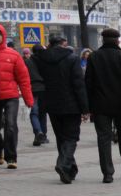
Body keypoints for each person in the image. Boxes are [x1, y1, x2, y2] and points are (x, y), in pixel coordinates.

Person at [84, 28, 121, 183]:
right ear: (118, 41)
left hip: (100, 105)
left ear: (102, 40)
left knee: (103, 138)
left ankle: (107, 173)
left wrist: (87, 106)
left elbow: (88, 83)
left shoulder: (94, 57)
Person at [33, 38, 88, 183]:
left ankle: (70, 169)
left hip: (51, 104)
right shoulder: (72, 58)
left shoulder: (42, 59)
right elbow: (78, 84)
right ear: (63, 45)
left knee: (61, 137)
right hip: (71, 105)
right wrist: (85, 108)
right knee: (71, 137)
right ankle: (63, 164)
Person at [0, 22, 35, 168]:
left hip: (10, 96)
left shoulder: (13, 55)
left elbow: (23, 78)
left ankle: (11, 157)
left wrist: (28, 99)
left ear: (3, 36)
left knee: (11, 126)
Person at [22, 47, 48, 146]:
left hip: (32, 89)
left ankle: (38, 132)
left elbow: (23, 76)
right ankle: (43, 135)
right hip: (44, 89)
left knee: (34, 112)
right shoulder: (45, 61)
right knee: (43, 113)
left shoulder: (27, 62)